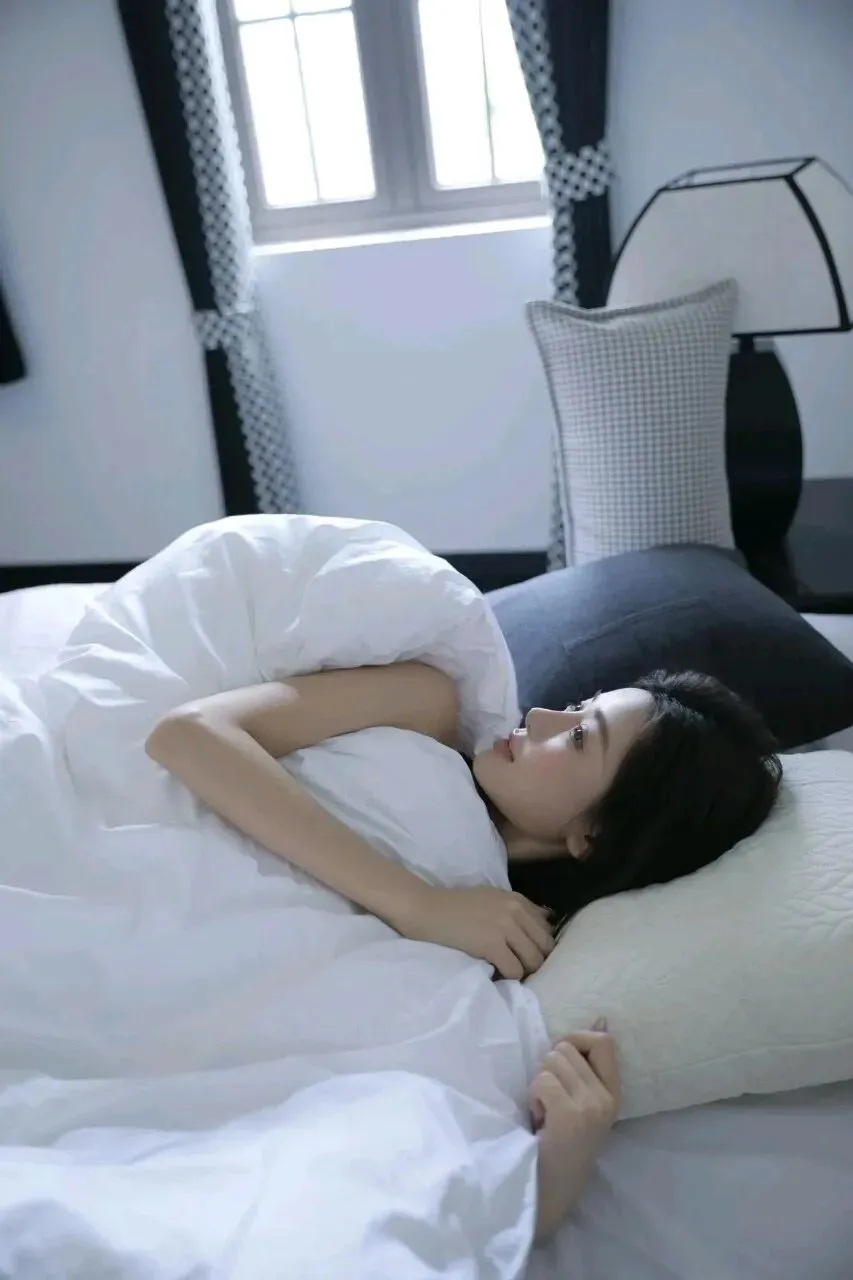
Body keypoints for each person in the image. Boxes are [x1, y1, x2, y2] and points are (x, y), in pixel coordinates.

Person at [145, 661, 781, 1241]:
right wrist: (416, 903)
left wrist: (565, 1156)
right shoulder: (427, 704)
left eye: (579, 737)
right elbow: (188, 734)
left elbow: (426, 1182)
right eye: (576, 706)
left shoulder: (512, 950)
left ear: (593, 834)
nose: (539, 715)